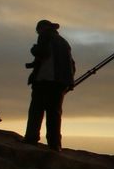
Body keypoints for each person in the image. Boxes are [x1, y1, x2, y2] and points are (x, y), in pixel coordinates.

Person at [22, 19, 75, 151]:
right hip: (60, 84)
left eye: (37, 30)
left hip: (44, 80)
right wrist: (68, 83)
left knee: (36, 110)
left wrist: (33, 49)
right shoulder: (63, 42)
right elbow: (71, 64)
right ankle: (55, 144)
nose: (37, 33)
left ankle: (31, 138)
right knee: (54, 113)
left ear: (41, 28)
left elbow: (41, 52)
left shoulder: (45, 35)